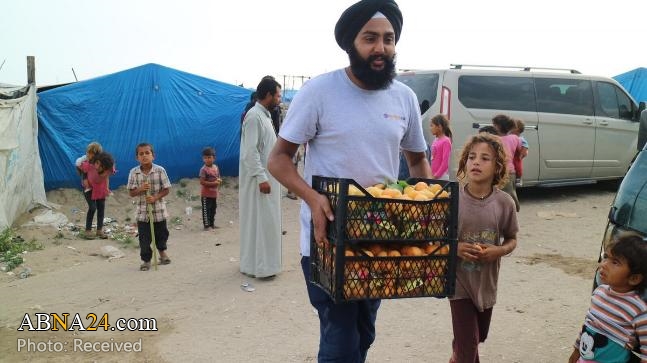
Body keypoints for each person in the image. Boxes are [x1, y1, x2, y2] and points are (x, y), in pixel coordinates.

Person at [267, 1, 431, 361]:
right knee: (340, 339)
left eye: (388, 39)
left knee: (363, 333)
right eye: (370, 38)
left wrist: (427, 208)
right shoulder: (319, 91)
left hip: (381, 239)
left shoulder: (403, 98)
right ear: (350, 43)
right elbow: (278, 160)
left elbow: (417, 159)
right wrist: (311, 198)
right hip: (327, 239)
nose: (381, 48)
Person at [451, 133, 518, 363]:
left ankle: (457, 352)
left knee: (477, 337)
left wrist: (497, 251)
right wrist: (456, 247)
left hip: (487, 284)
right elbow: (435, 241)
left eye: (485, 158)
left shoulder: (504, 203)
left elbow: (512, 239)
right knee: (469, 350)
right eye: (471, 157)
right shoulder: (452, 201)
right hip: (458, 284)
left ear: (498, 166)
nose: (476, 162)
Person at [569, 232, 647, 363]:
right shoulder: (599, 293)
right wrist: (576, 352)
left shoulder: (638, 309)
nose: (604, 264)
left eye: (615, 262)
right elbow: (587, 326)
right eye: (606, 257)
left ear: (634, 278)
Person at [239, 77, 283, 279]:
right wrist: (261, 177)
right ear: (267, 95)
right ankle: (260, 267)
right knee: (261, 222)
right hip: (260, 182)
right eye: (278, 95)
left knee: (266, 222)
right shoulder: (254, 117)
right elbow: (250, 152)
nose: (280, 99)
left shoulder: (265, 116)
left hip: (268, 179)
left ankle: (260, 265)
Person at [127, 143, 172, 271]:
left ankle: (162, 253)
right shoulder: (134, 172)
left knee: (161, 234)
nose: (144, 156)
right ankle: (146, 260)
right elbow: (131, 192)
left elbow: (166, 189)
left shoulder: (160, 170)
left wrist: (155, 198)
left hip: (159, 211)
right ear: (137, 158)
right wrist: (140, 189)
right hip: (142, 213)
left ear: (153, 155)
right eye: (141, 154)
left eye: (147, 153)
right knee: (144, 238)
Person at [79, 151, 114, 239]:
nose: (97, 166)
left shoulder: (108, 169)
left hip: (100, 189)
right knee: (92, 207)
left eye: (101, 165)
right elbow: (79, 165)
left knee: (101, 208)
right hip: (89, 189)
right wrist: (84, 178)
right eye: (97, 163)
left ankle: (99, 230)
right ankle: (88, 230)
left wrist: (107, 188)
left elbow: (110, 173)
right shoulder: (90, 165)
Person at [491, 114, 522, 212]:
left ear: (499, 126)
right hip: (511, 171)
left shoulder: (495, 140)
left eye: (494, 125)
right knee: (509, 192)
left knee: (501, 194)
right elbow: (520, 151)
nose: (493, 127)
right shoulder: (515, 138)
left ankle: (513, 209)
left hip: (499, 171)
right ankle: (511, 210)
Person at [199, 147, 222, 230]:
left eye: (209, 157)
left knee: (213, 209)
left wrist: (219, 180)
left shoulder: (216, 167)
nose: (207, 159)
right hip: (206, 195)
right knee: (206, 210)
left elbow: (218, 176)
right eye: (205, 158)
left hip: (214, 194)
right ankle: (206, 226)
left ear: (214, 158)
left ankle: (212, 224)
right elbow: (202, 182)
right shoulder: (203, 170)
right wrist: (213, 183)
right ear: (203, 159)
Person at [430, 114, 453, 180]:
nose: (430, 128)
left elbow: (445, 163)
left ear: (439, 127)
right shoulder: (435, 140)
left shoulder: (446, 141)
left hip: (441, 177)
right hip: (433, 176)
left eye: (432, 126)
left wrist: (436, 176)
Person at [511, 118, 529, 188]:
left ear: (517, 129)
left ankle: (518, 178)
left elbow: (525, 145)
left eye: (512, 126)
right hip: (511, 155)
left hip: (517, 155)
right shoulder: (509, 136)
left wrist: (521, 154)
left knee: (518, 166)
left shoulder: (520, 138)